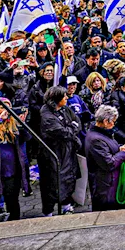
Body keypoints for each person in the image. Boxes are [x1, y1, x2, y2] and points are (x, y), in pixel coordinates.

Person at [38, 85, 83, 215]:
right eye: (64, 96)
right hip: (52, 154)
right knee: (51, 183)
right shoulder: (47, 115)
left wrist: (72, 127)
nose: (67, 98)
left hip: (67, 151)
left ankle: (66, 205)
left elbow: (77, 121)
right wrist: (72, 128)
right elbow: (62, 132)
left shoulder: (64, 109)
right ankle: (48, 211)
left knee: (68, 178)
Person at [84, 103, 125, 211]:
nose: (114, 125)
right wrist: (123, 153)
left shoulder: (100, 134)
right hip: (106, 187)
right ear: (106, 121)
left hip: (108, 183)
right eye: (113, 122)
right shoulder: (96, 140)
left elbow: (109, 152)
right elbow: (109, 163)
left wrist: (120, 149)